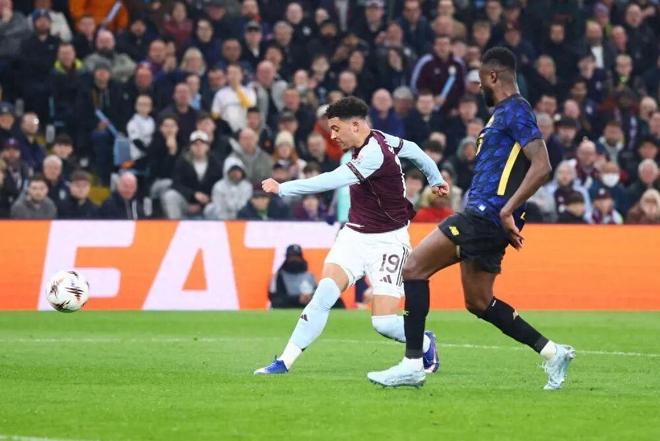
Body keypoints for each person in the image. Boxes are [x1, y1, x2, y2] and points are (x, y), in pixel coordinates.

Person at [368, 47, 575, 390]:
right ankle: (553, 353)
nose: (478, 88)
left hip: (485, 215)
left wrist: (508, 210)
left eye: (480, 80)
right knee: (479, 302)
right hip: (488, 218)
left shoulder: (516, 110)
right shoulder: (501, 116)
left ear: (494, 76)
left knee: (413, 268)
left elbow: (542, 166)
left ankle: (412, 364)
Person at [254, 96, 448, 375]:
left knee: (383, 323)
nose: (332, 136)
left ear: (355, 125)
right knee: (323, 295)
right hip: (354, 236)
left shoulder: (374, 154)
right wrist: (436, 178)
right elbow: (415, 150)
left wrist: (283, 188)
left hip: (389, 242)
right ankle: (284, 362)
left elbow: (331, 180)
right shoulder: (381, 139)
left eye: (336, 128)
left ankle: (425, 341)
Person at [269, 245, 321, 309]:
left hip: (308, 309)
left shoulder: (309, 275)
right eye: (291, 257)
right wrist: (297, 299)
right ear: (287, 258)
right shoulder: (279, 276)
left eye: (297, 257)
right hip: (288, 308)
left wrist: (309, 297)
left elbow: (318, 294)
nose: (294, 259)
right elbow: (275, 299)